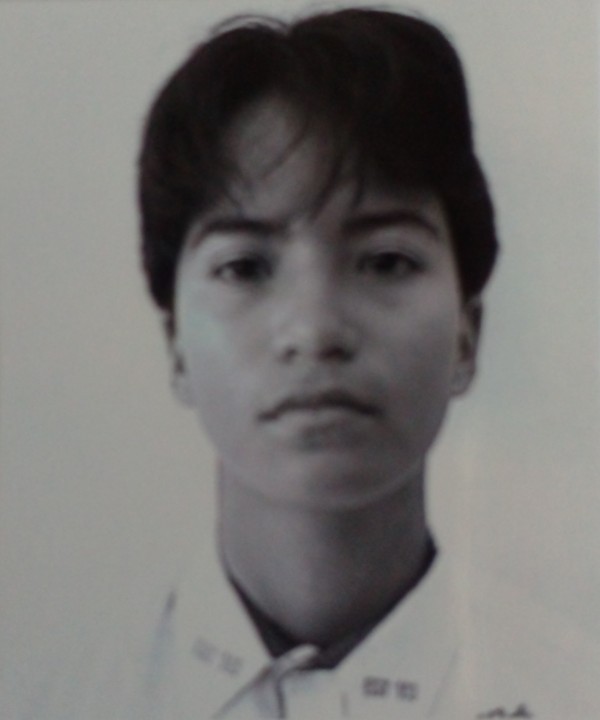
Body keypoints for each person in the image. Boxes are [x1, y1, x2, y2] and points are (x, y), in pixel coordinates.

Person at [134, 7, 597, 720]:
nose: (316, 329)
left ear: (467, 336)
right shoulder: (46, 694)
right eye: (246, 267)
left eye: (385, 261)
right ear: (176, 346)